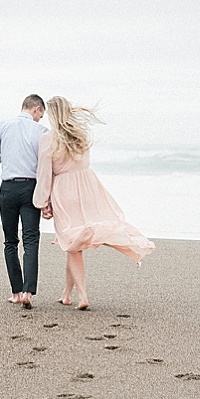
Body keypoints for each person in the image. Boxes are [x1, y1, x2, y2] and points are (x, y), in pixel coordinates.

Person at [33, 96, 154, 310]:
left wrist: (42, 201)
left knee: (72, 245)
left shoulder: (48, 139)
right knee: (73, 243)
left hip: (64, 190)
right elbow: (84, 163)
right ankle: (67, 294)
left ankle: (83, 295)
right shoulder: (80, 135)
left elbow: (45, 173)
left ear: (52, 115)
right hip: (87, 187)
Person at [0, 94, 48, 309]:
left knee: (10, 241)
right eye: (41, 115)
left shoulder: (2, 126)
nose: (40, 119)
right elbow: (45, 166)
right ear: (37, 109)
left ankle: (16, 292)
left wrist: (10, 152)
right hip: (31, 188)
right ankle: (29, 291)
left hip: (8, 188)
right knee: (31, 240)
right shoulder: (42, 132)